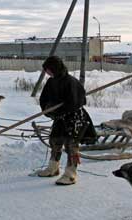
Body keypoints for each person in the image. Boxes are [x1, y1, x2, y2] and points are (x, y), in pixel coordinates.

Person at [29, 56, 96, 185]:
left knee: (71, 145)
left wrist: (61, 108)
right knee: (55, 141)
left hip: (74, 117)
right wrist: (48, 109)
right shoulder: (51, 82)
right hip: (59, 117)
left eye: (48, 69)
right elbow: (44, 98)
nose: (47, 72)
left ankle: (71, 174)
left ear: (55, 68)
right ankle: (53, 168)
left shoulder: (71, 81)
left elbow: (77, 101)